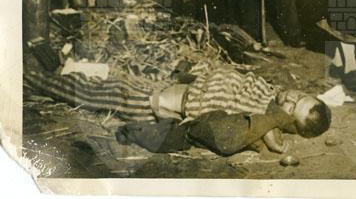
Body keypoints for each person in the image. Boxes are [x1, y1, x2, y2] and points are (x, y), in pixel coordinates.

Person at [24, 65, 331, 156]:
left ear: (289, 122)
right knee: (99, 79)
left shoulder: (258, 116)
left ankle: (28, 78)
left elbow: (226, 123)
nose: (291, 97)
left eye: (293, 107)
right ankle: (43, 72)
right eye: (300, 96)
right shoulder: (267, 92)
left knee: (86, 91)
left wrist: (271, 129)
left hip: (150, 103)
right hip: (161, 85)